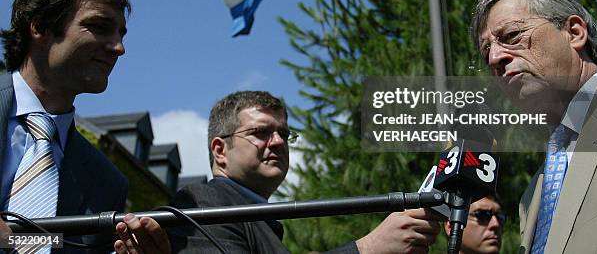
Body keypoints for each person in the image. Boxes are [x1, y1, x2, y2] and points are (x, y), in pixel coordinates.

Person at [115, 91, 444, 254]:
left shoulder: (260, 219)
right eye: (261, 132)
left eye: (284, 134)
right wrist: (368, 247)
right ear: (219, 150)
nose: (277, 142)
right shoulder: (200, 206)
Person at [471, 0, 597, 253]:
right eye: (486, 50)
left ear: (573, 32)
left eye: (511, 35)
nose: (495, 58)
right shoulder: (535, 192)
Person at [0, 0, 131, 252]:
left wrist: (13, 241)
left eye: (121, 34)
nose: (118, 47)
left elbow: (55, 244)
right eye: (99, 27)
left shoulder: (106, 182)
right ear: (40, 27)